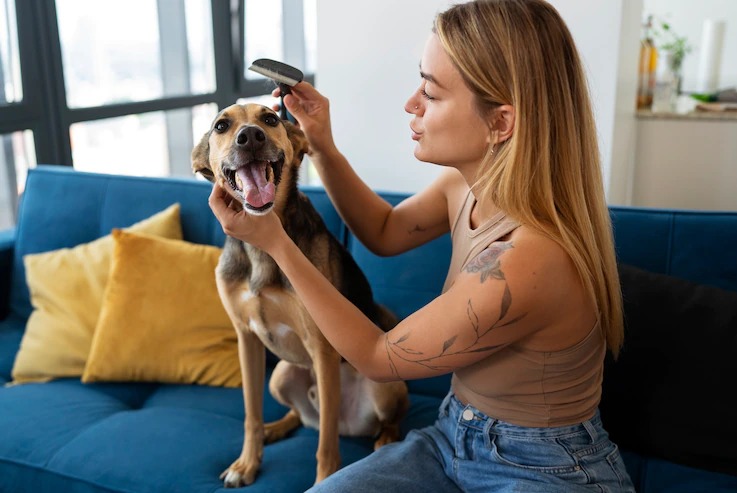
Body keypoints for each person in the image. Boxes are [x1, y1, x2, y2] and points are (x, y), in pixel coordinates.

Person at [208, 0, 635, 491]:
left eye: (430, 93)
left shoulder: (532, 257)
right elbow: (385, 231)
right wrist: (321, 143)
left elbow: (377, 355)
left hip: (545, 466)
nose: (411, 103)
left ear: (501, 122)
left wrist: (277, 243)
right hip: (452, 434)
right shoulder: (465, 188)